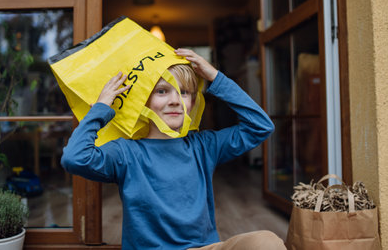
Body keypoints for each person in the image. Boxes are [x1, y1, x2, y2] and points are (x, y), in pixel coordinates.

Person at [61, 48, 286, 249]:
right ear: (144, 102)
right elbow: (74, 158)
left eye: (184, 92)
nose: (175, 100)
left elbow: (261, 126)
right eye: (162, 91)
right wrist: (100, 109)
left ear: (192, 103)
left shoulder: (203, 146)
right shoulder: (126, 153)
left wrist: (214, 77)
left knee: (267, 242)